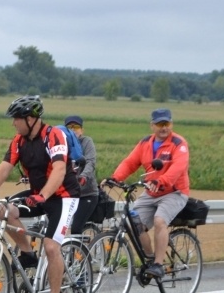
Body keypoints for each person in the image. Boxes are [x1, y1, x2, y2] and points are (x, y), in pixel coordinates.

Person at [0, 95, 80, 293]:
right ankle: (28, 254)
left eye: (17, 119)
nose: (14, 123)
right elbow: (4, 167)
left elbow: (59, 170)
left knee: (51, 247)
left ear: (31, 118)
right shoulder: (19, 141)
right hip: (38, 194)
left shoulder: (54, 135)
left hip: (63, 196)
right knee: (4, 211)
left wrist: (43, 196)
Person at [103, 108, 190, 279]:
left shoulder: (179, 143)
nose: (164, 128)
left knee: (159, 221)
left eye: (167, 124)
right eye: (159, 124)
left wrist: (161, 181)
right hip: (152, 192)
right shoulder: (145, 144)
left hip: (174, 192)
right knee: (134, 224)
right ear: (152, 125)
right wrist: (114, 178)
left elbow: (178, 167)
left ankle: (158, 264)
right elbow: (130, 163)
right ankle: (150, 260)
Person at [62, 115, 99, 235]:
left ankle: (77, 253)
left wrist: (83, 176)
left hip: (86, 194)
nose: (73, 129)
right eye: (69, 127)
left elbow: (90, 162)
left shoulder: (86, 142)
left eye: (76, 127)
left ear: (81, 130)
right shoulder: (62, 144)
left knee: (76, 228)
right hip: (68, 193)